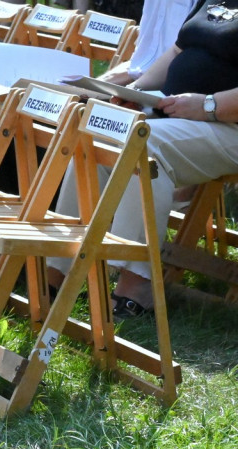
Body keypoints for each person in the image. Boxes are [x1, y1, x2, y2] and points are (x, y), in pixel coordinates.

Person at [46, 0, 238, 320]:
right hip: (178, 116)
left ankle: (136, 281)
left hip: (226, 124)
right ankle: (57, 267)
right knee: (98, 135)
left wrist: (209, 105)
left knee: (145, 149)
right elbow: (177, 52)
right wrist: (135, 91)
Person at [100, 0, 197, 85]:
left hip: (176, 88)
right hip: (138, 79)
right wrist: (97, 85)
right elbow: (142, 62)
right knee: (88, 93)